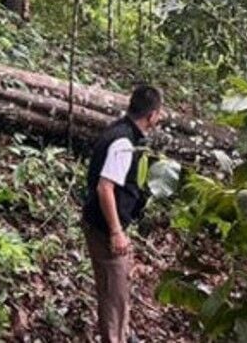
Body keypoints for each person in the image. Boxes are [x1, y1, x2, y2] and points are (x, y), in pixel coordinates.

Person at [82, 84, 164, 343]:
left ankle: (124, 334)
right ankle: (115, 337)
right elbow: (105, 188)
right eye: (159, 113)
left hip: (106, 223)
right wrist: (116, 232)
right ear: (152, 115)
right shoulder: (123, 143)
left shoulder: (122, 130)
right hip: (105, 227)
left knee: (118, 288)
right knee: (113, 293)